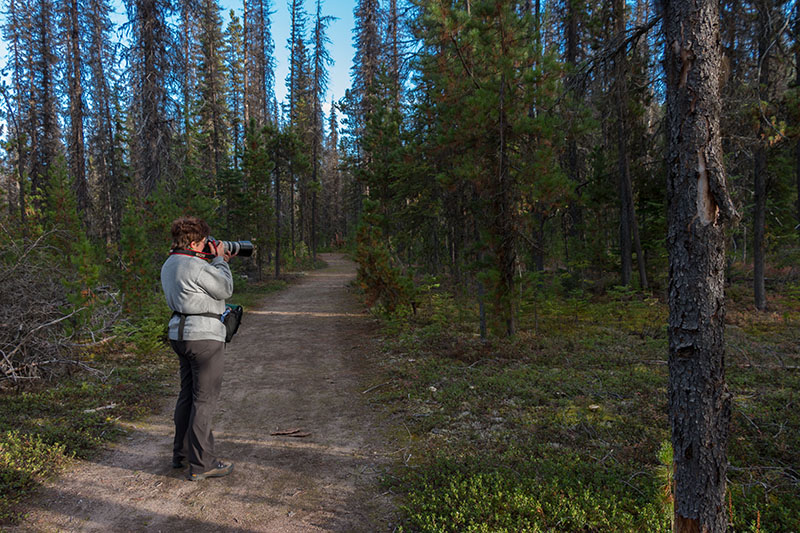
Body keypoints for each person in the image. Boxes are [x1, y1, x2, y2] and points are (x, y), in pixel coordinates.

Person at [160, 216, 234, 481]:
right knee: (204, 400)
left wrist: (211, 262)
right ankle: (203, 464)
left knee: (187, 395)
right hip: (204, 338)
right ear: (195, 242)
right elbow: (226, 288)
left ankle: (180, 455)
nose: (207, 245)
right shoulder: (198, 266)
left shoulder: (170, 263)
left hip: (179, 334)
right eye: (204, 241)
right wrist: (220, 261)